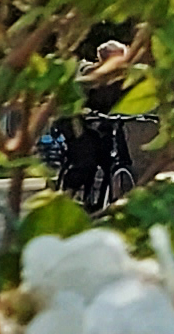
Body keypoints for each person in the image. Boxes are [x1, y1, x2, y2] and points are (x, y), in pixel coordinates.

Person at [57, 38, 138, 214]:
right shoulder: (88, 75)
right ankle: (64, 199)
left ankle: (106, 202)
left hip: (102, 122)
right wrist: (81, 111)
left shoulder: (123, 79)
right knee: (86, 160)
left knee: (114, 158)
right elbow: (72, 100)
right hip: (75, 122)